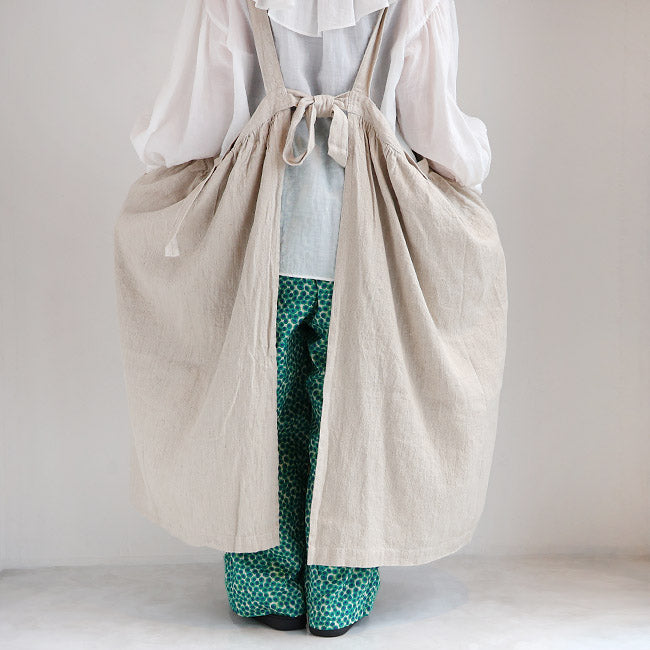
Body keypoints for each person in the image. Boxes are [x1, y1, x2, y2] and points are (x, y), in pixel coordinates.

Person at [128, 0, 492, 637]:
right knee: (354, 416)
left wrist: (160, 156)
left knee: (261, 413)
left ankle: (266, 585)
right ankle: (337, 592)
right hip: (371, 240)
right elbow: (432, 120)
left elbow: (202, 112)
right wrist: (470, 164)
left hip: (262, 233)